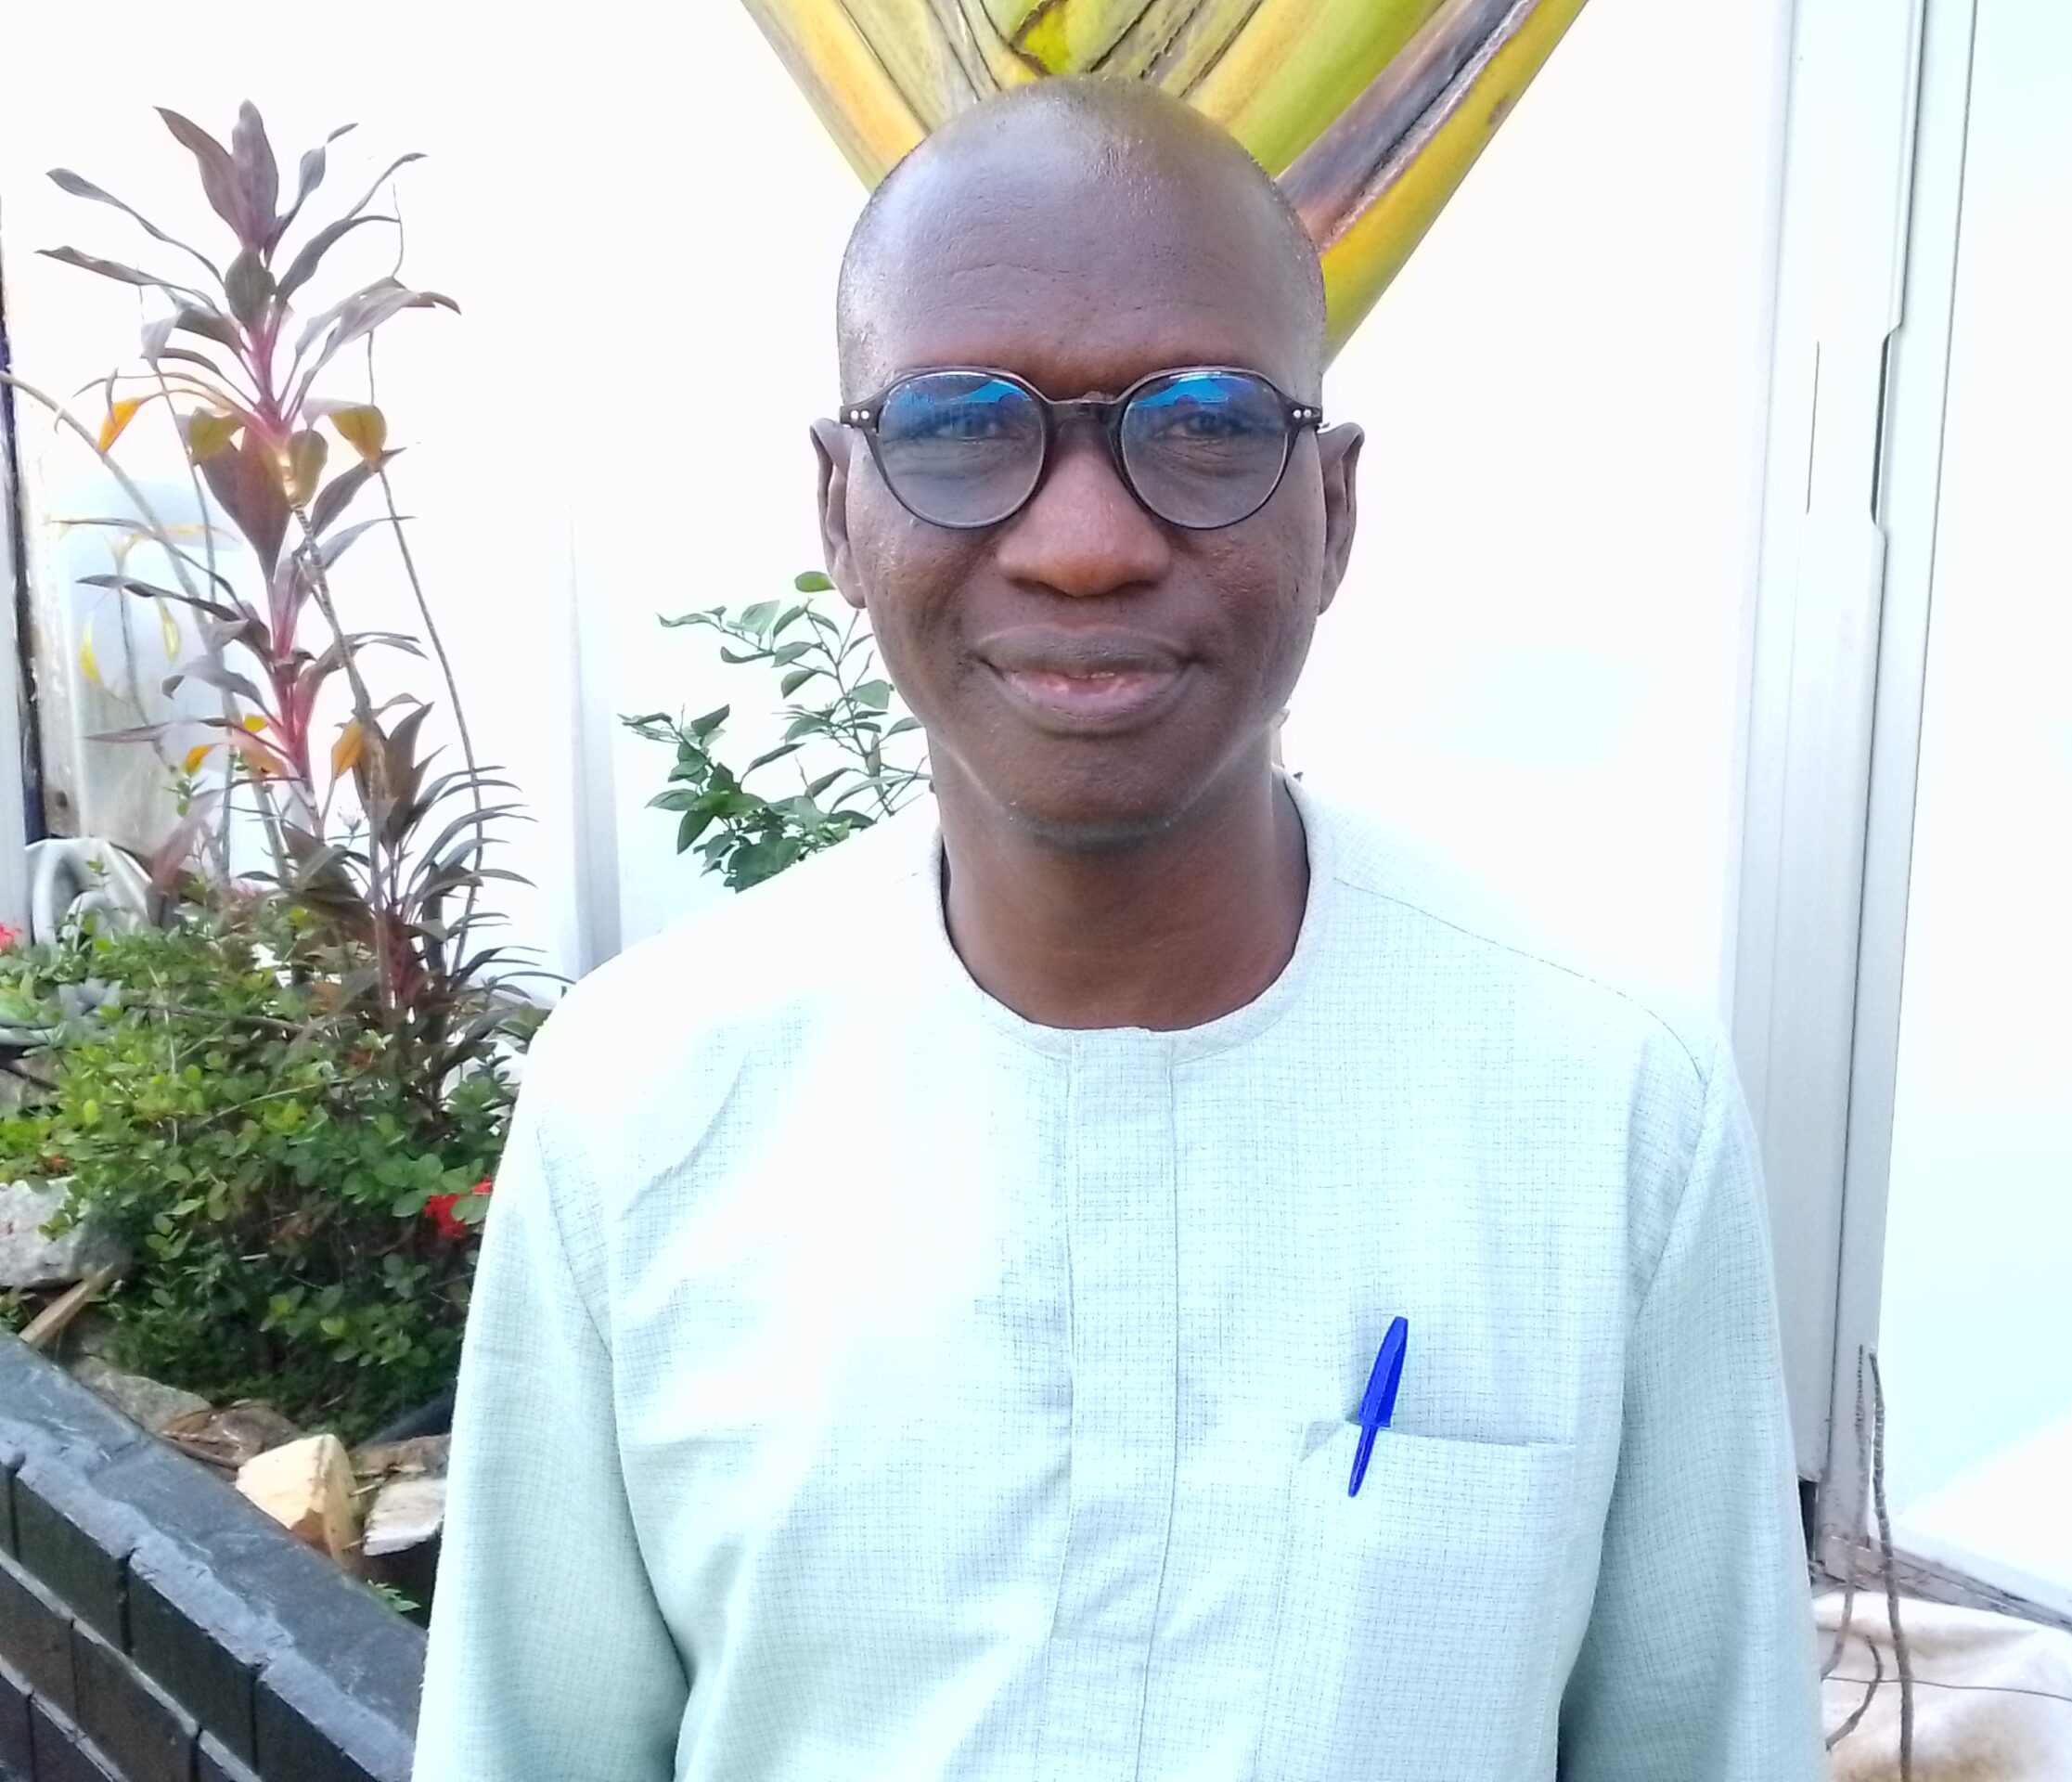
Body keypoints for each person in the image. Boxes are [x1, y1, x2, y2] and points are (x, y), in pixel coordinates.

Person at [413, 78, 1822, 1782]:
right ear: (839, 511)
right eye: (957, 428)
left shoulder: (1605, 1105)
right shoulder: (642, 1104)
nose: (1084, 546)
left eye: (1206, 425)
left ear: (1334, 513)